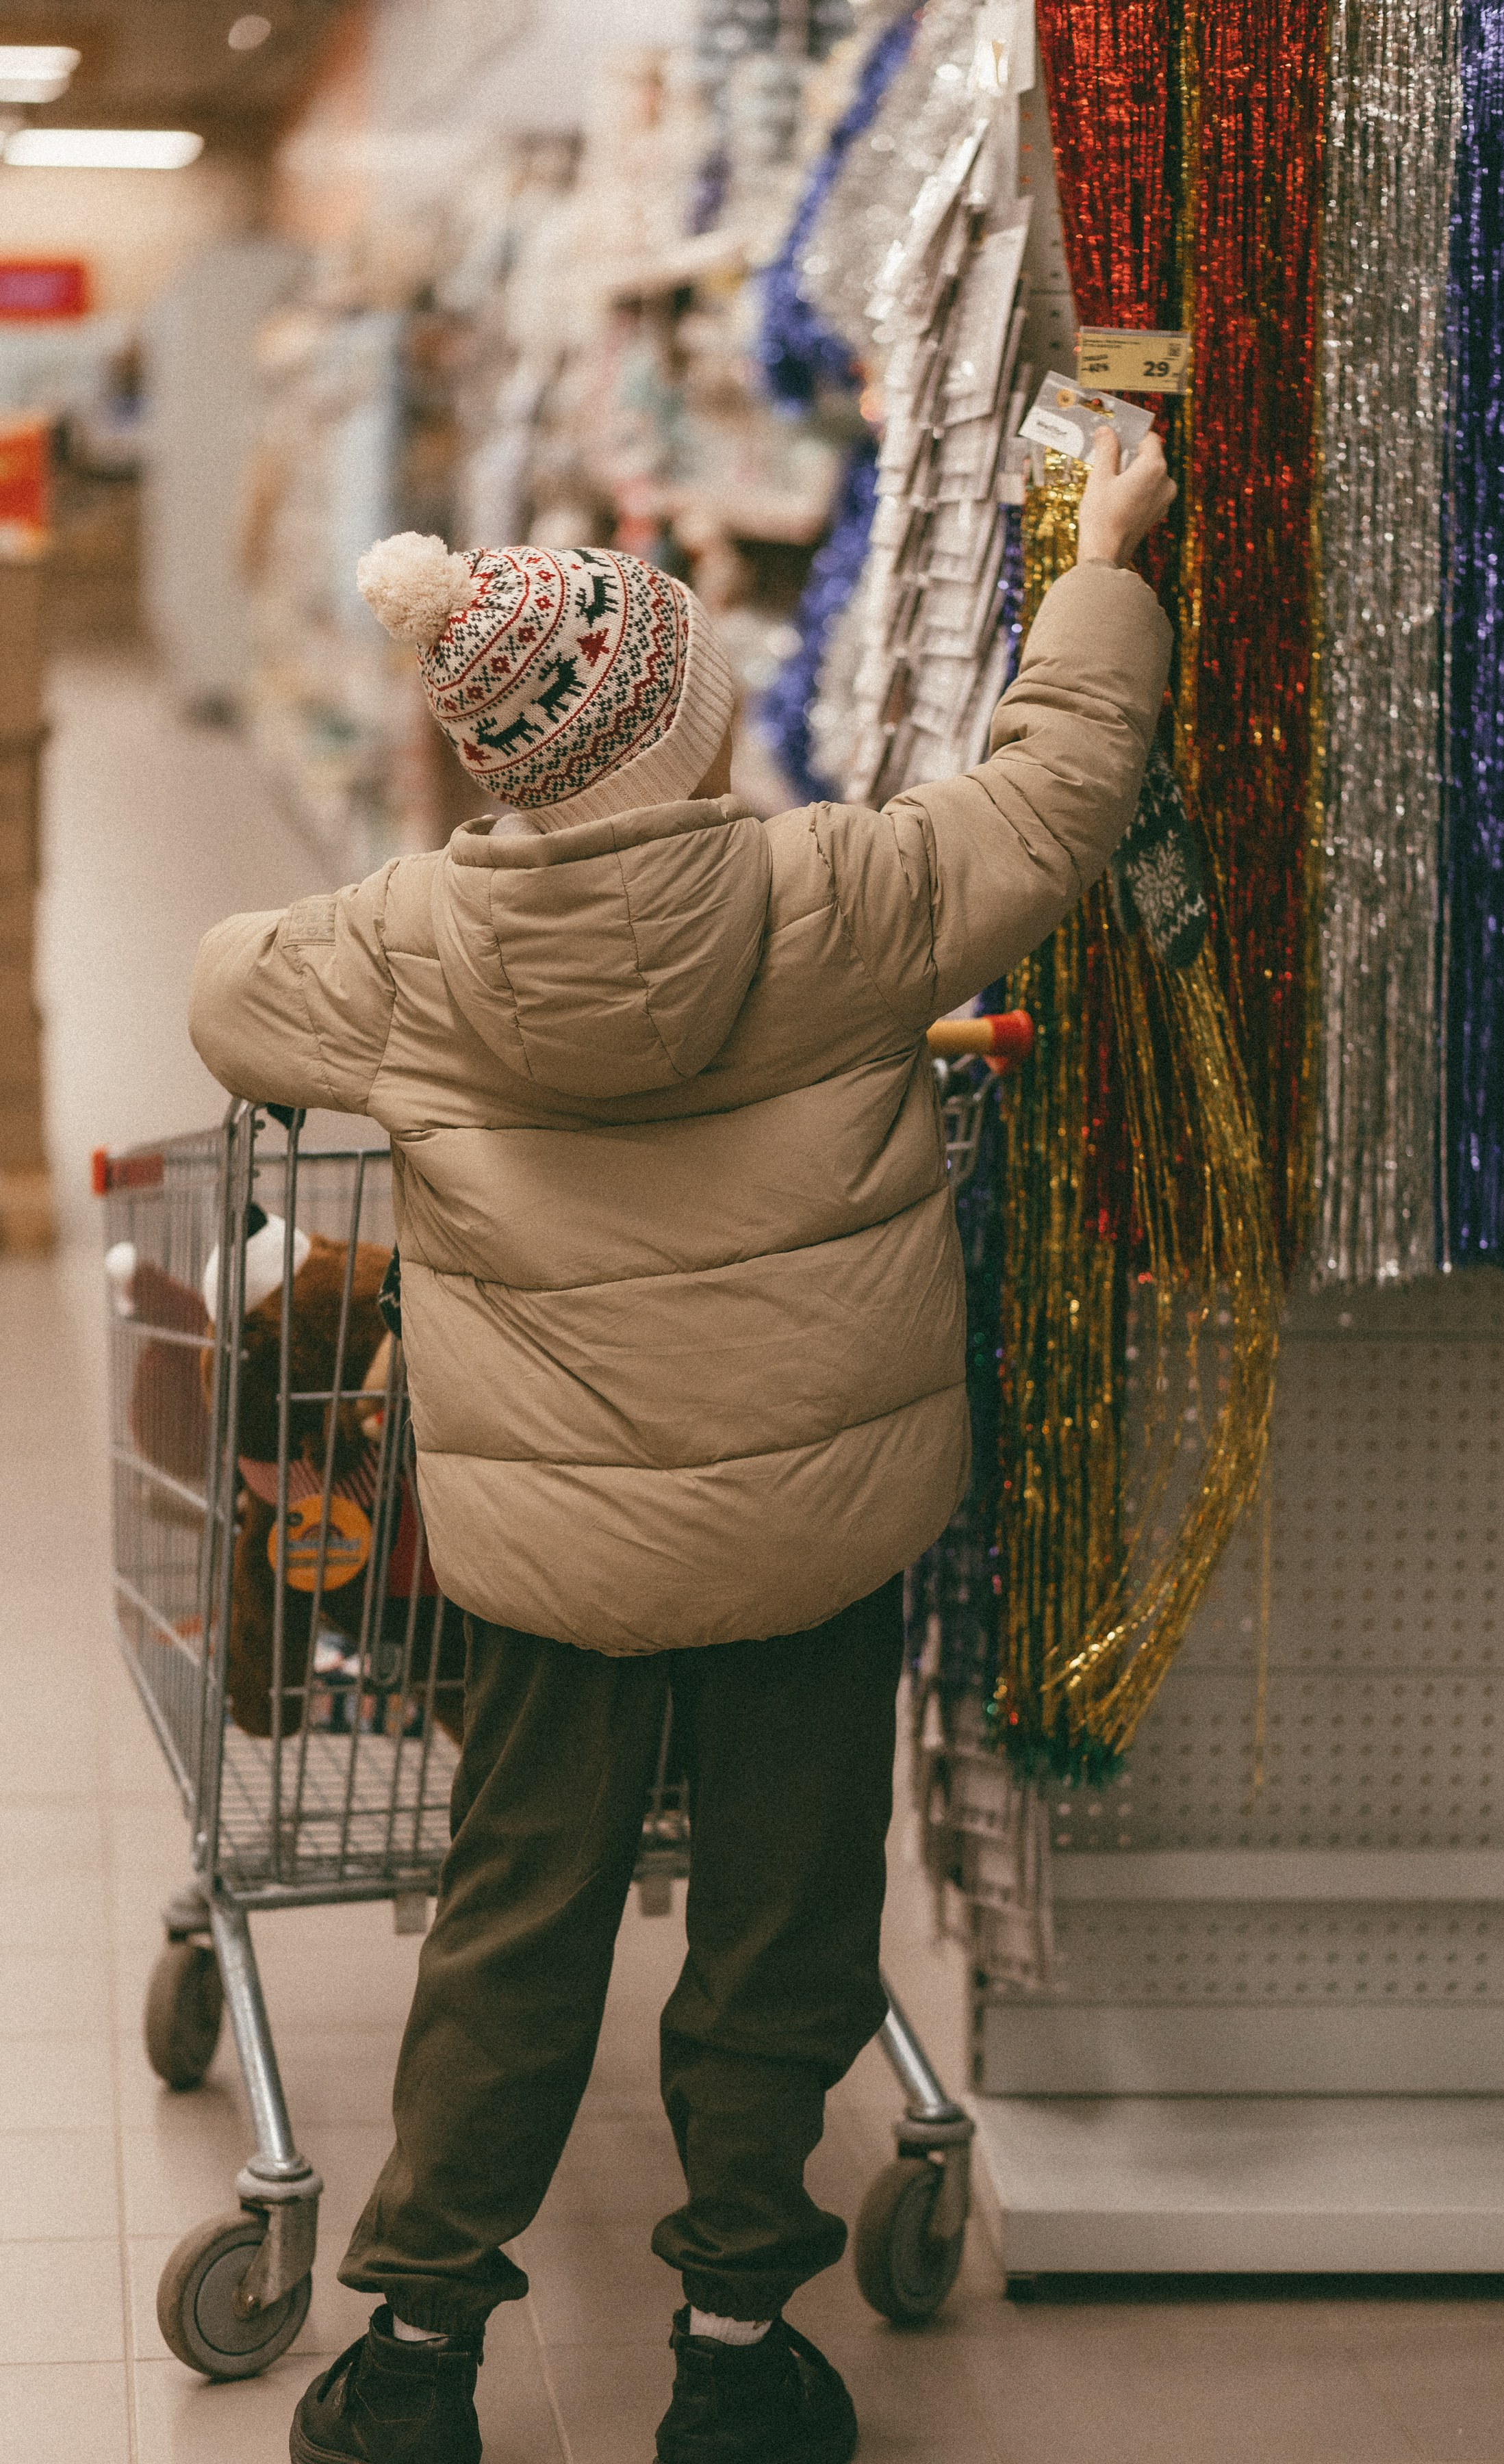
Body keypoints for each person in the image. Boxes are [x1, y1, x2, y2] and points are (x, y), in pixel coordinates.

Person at [188, 425, 1176, 2464]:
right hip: (818, 1544)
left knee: (515, 1915)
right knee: (788, 1918)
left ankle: (417, 2356)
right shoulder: (848, 896)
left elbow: (226, 998)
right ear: (693, 734)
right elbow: (1063, 799)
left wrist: (398, 959)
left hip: (553, 1576)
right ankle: (733, 2338)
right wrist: (1109, 564)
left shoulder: (408, 958)